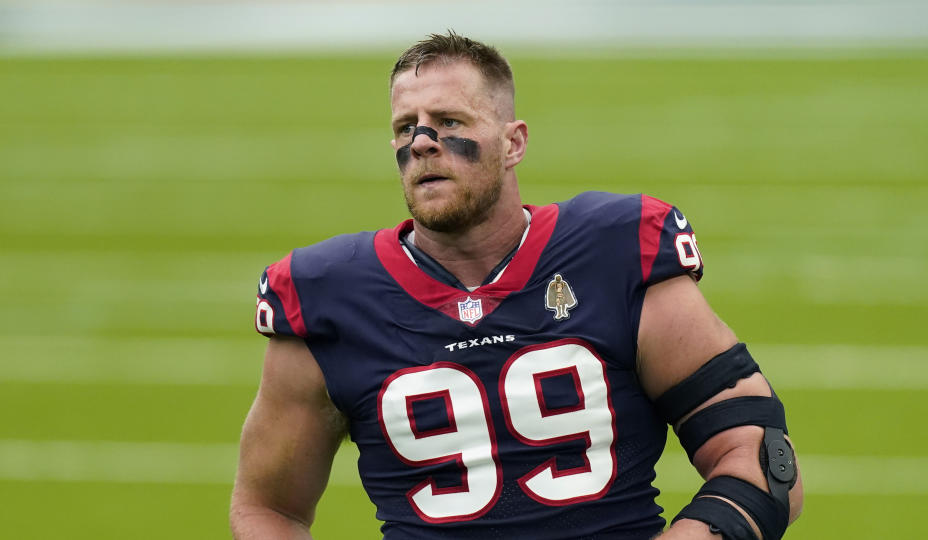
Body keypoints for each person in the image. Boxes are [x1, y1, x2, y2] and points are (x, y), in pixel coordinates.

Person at [230, 32, 803, 540]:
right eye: (407, 128)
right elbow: (266, 509)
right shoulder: (328, 294)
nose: (424, 142)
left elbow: (763, 459)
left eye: (450, 122)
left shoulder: (616, 252)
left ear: (513, 143)